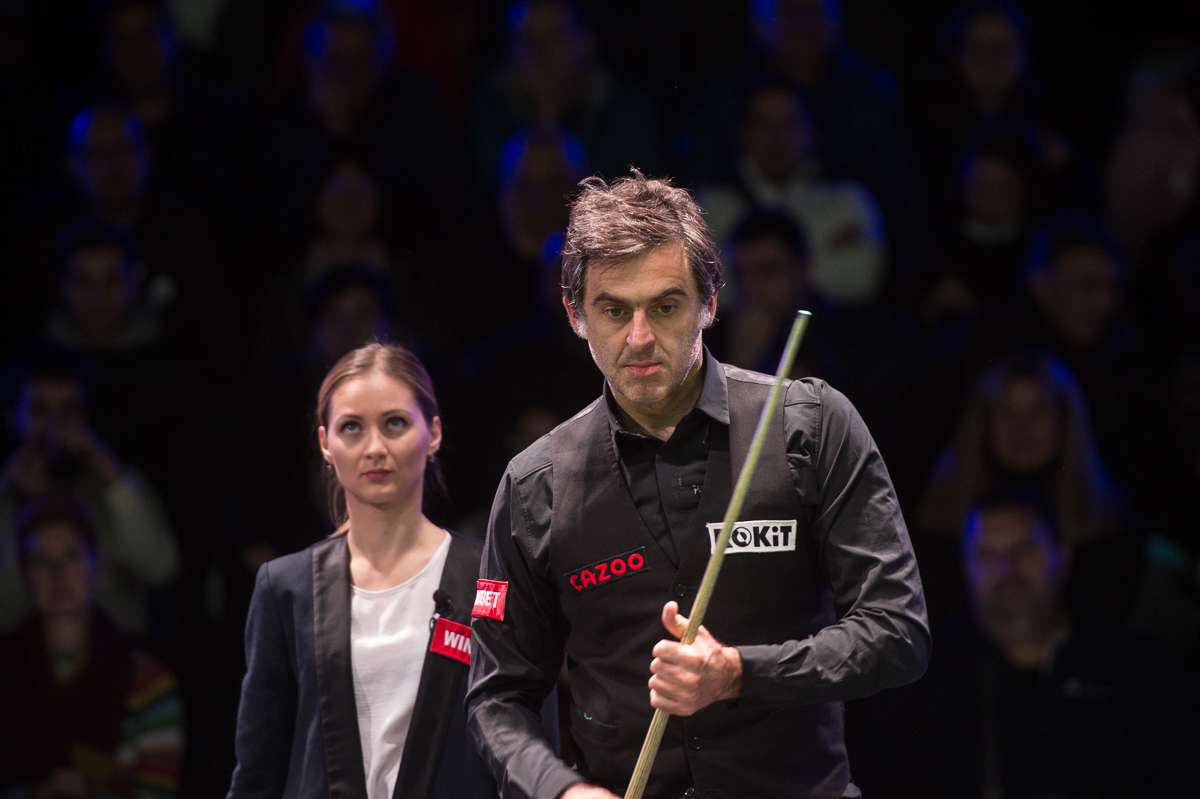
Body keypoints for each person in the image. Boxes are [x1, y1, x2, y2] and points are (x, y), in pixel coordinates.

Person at [466, 170, 930, 799]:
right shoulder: (534, 486)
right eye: (614, 310)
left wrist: (739, 672)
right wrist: (561, 790)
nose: (639, 339)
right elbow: (497, 698)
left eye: (665, 306)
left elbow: (898, 632)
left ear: (710, 302)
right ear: (576, 315)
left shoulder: (808, 426)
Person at [228, 342, 499, 799]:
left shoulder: (488, 579)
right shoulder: (286, 588)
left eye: (395, 423)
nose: (374, 448)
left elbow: (525, 749)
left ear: (433, 433)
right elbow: (258, 771)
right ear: (325, 444)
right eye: (352, 427)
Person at [845, 486, 1196, 798]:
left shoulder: (1139, 671)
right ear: (965, 568)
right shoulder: (917, 677)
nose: (1006, 569)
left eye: (1024, 548)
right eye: (986, 555)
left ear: (1064, 556)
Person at [0, 494, 184, 799]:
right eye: (40, 561)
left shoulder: (148, 682)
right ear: (24, 573)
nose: (57, 574)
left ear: (95, 564)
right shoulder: (6, 668)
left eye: (71, 556)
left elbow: (159, 792)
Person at [0, 355, 178, 636]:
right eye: (39, 409)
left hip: (118, 651)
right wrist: (26, 507)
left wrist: (112, 477)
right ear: (11, 415)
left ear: (86, 415)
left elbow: (160, 569)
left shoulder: (116, 483)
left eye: (69, 410)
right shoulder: (5, 494)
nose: (55, 425)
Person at [696, 82, 889, 305]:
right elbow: (698, 287)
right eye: (764, 124)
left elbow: (864, 277)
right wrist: (816, 263)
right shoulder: (709, 208)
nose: (776, 137)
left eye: (788, 124)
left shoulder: (847, 201)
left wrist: (742, 281)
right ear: (742, 134)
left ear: (812, 131)